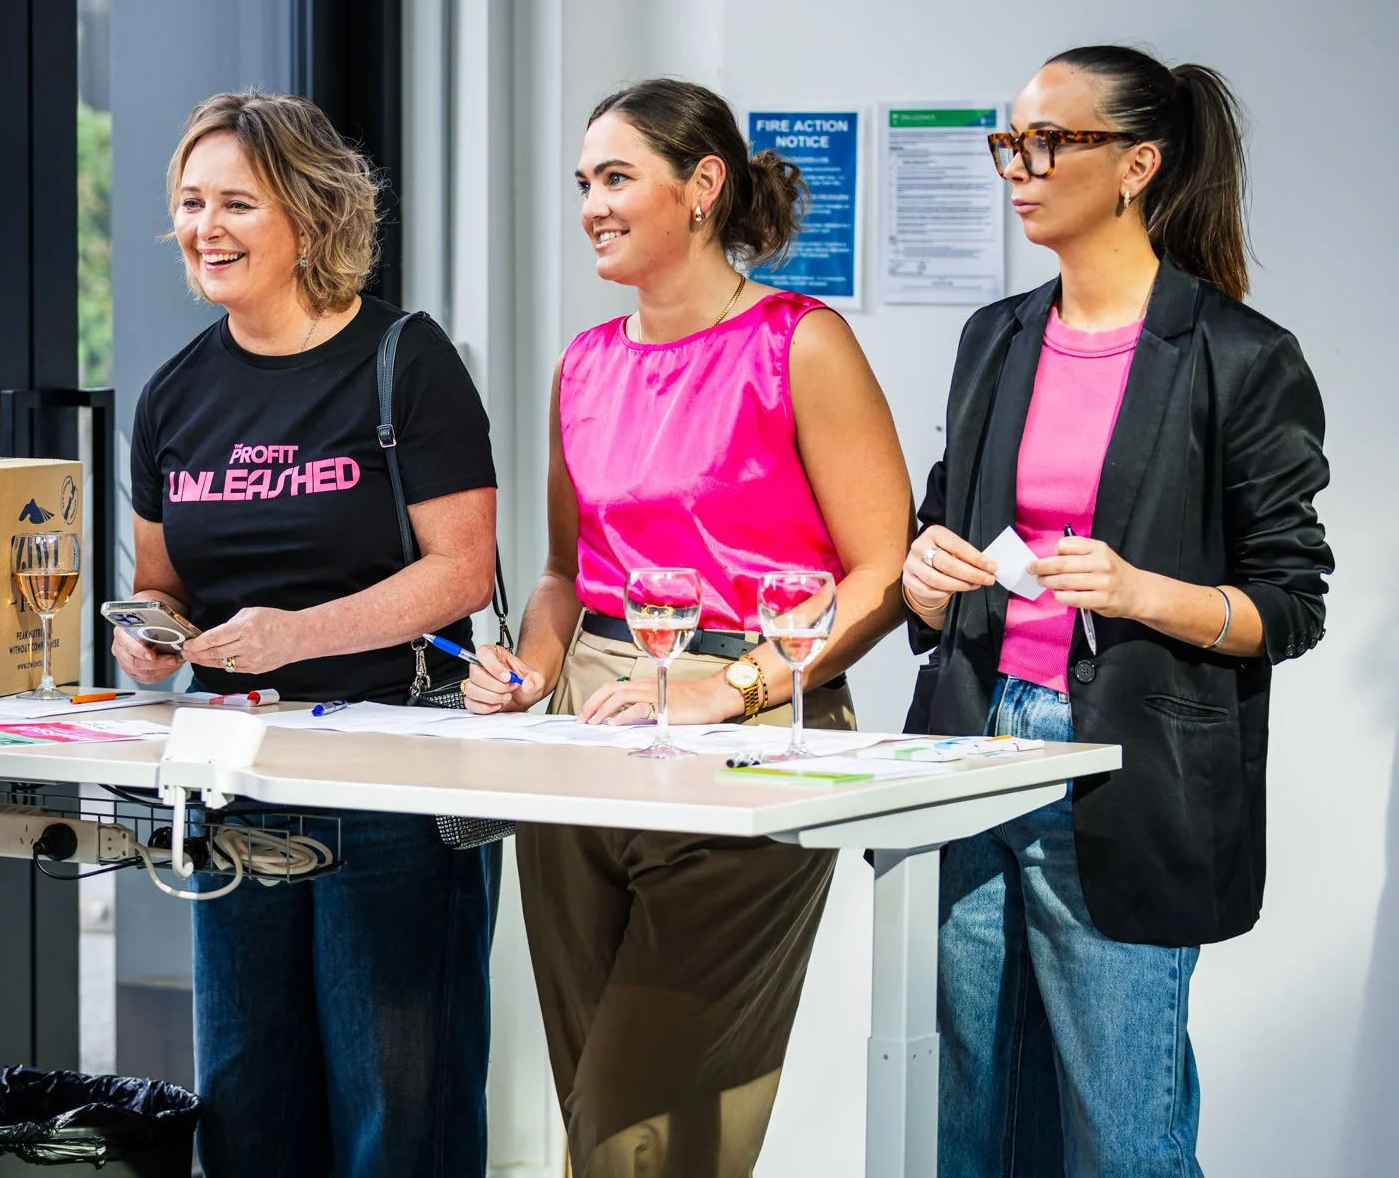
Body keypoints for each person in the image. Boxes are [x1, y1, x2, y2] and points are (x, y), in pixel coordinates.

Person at [463, 77, 912, 1177]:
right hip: (585, 741)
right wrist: (530, 664)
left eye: (616, 177)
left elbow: (880, 570)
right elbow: (565, 573)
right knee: (590, 1112)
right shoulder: (584, 362)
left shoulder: (798, 344)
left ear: (702, 186)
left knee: (636, 1137)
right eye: (583, 184)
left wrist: (734, 685)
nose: (591, 206)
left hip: (752, 732)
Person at [901, 46, 1332, 1176]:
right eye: (1010, 142)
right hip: (972, 745)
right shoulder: (991, 336)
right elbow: (939, 519)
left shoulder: (1238, 357)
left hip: (1124, 768)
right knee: (973, 1120)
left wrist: (1143, 591)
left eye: (1049, 141)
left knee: (1121, 1135)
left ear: (1136, 163)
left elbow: (1288, 604)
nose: (1018, 168)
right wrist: (921, 573)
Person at [115, 90, 502, 1176]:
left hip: (391, 774)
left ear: (312, 215)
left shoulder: (403, 359)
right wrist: (150, 641)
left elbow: (459, 570)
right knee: (247, 1104)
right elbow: (163, 584)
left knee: (396, 1112)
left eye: (237, 201)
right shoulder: (174, 393)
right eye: (190, 203)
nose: (206, 227)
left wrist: (296, 634)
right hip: (233, 777)